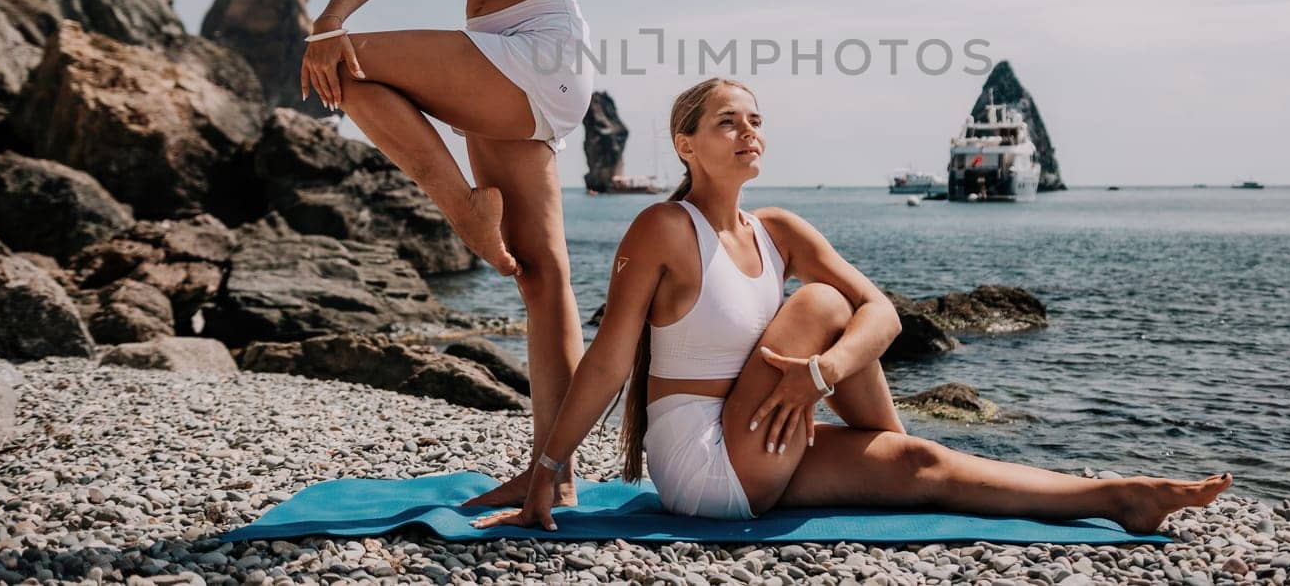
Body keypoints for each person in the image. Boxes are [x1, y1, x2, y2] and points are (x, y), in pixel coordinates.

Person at [297, 0, 929, 507]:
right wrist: (329, 16)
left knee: (348, 63)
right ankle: (548, 470)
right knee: (541, 275)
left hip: (543, 52)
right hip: (489, 57)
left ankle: (460, 207)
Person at [471, 78, 1233, 532]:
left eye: (756, 119)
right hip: (701, 458)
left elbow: (889, 316)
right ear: (685, 144)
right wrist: (547, 467)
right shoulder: (664, 228)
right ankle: (879, 446)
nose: (748, 131)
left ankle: (1120, 495)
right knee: (824, 301)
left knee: (922, 458)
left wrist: (820, 376)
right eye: (727, 121)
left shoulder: (781, 230)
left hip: (763, 430)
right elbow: (608, 361)